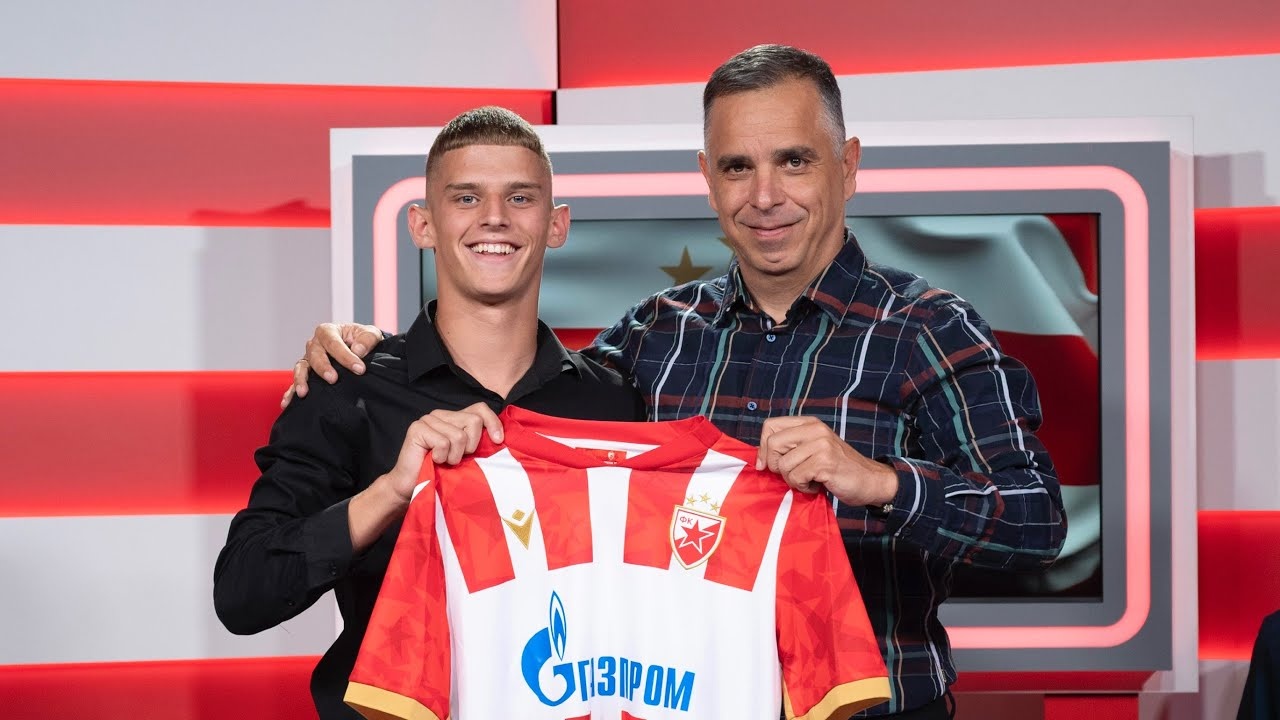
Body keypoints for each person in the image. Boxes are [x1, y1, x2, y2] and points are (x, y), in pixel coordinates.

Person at [292, 45, 1067, 719]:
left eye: (794, 160)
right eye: (737, 166)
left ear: (848, 165)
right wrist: (380, 352)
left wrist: (880, 482)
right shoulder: (651, 337)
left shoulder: (929, 329)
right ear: (707, 178)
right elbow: (524, 400)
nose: (765, 196)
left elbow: (1038, 521)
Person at [213, 107, 645, 720]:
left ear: (556, 225)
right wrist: (391, 492)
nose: (494, 217)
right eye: (466, 197)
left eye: (520, 197)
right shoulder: (346, 386)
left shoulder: (615, 404)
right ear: (423, 225)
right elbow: (242, 593)